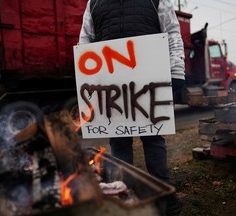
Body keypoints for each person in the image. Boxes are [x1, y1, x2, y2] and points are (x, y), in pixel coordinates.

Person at [79, 0, 185, 215]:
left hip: (148, 82)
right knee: (119, 143)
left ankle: (166, 197)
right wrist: (84, 78)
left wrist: (176, 70)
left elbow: (172, 32)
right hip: (111, 85)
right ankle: (124, 199)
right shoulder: (94, 2)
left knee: (153, 139)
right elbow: (85, 40)